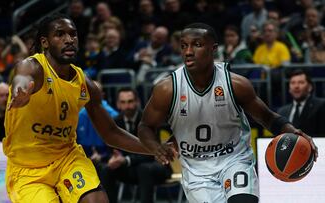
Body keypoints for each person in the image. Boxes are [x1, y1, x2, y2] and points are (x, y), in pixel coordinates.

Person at [138, 23, 318, 203]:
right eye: (184, 46)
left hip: (235, 160)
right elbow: (145, 126)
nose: (188, 52)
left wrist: (292, 131)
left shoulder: (235, 84)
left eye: (197, 45)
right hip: (197, 172)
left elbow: (267, 117)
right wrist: (156, 147)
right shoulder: (167, 89)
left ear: (213, 49)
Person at [2, 13, 152, 203]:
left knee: (96, 200)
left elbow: (111, 133)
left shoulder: (86, 84)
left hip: (67, 159)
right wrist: (19, 90)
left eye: (73, 34)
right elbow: (22, 76)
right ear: (45, 42)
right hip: (28, 170)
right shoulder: (33, 66)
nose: (69, 40)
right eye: (60, 34)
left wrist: (154, 148)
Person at [99, 87, 172, 203]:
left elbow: (154, 152)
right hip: (130, 168)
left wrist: (126, 160)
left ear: (137, 102)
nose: (127, 106)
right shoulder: (115, 123)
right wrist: (112, 158)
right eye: (123, 102)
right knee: (106, 169)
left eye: (130, 101)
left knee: (144, 169)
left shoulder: (149, 120)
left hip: (155, 166)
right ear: (118, 104)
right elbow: (112, 150)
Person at [76, 80, 118, 162]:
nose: (91, 97)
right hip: (83, 156)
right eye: (89, 93)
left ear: (102, 95)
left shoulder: (114, 116)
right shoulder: (77, 116)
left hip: (108, 158)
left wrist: (103, 156)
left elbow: (117, 148)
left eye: (95, 93)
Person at [277, 69, 325, 137]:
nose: (296, 86)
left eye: (301, 82)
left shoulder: (321, 105)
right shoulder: (282, 111)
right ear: (289, 89)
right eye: (293, 83)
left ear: (310, 87)